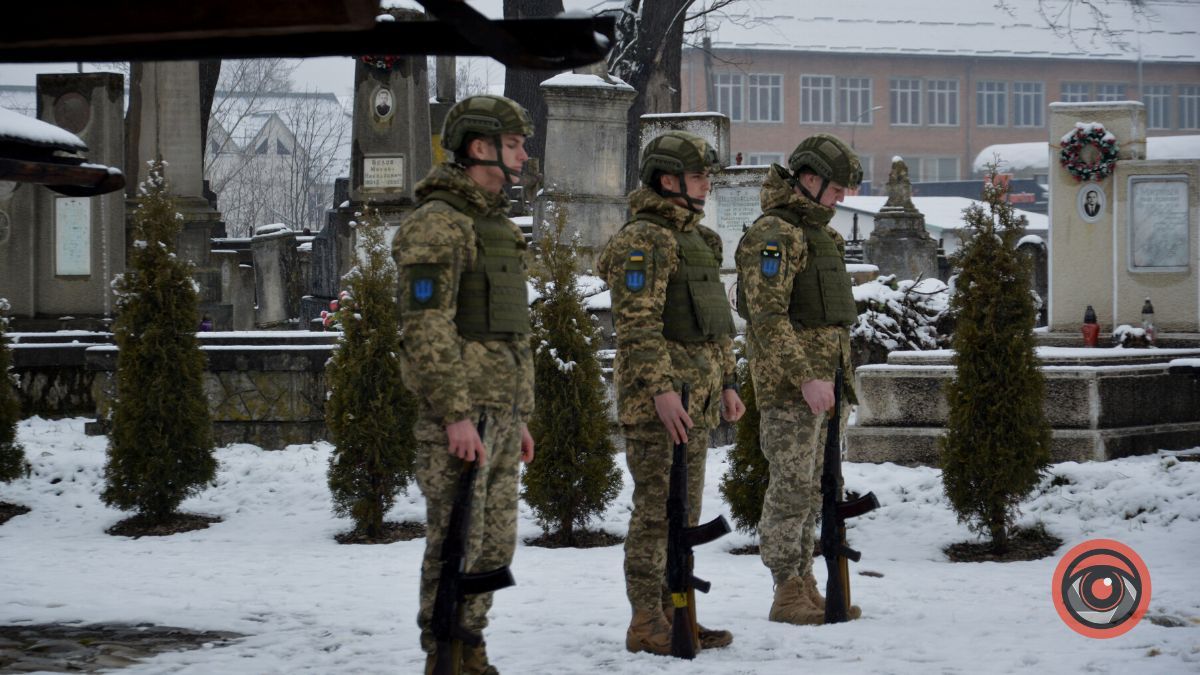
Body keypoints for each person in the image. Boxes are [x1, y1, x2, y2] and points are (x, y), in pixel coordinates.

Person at [392, 94, 536, 675]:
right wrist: (454, 413)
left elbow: (509, 332)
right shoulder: (437, 224)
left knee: (493, 544)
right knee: (455, 539)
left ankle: (472, 647)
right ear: (481, 148)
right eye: (514, 144)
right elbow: (425, 326)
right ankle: (445, 653)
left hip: (498, 415)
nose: (525, 156)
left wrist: (519, 414)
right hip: (461, 416)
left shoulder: (492, 225)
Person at [597, 130, 746, 655]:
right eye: (700, 175)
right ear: (668, 179)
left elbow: (717, 325)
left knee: (683, 515)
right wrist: (661, 391)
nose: (708, 184)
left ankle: (677, 609)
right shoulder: (644, 239)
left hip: (696, 401)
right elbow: (637, 326)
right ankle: (646, 620)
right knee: (656, 513)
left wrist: (728, 382)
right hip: (658, 405)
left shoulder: (699, 241)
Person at [734, 133, 863, 626]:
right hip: (793, 388)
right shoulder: (775, 234)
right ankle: (786, 588)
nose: (842, 197)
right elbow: (767, 317)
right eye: (836, 187)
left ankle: (806, 581)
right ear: (809, 179)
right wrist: (806, 376)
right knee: (791, 486)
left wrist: (833, 378)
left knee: (817, 487)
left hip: (827, 384)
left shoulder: (822, 236)